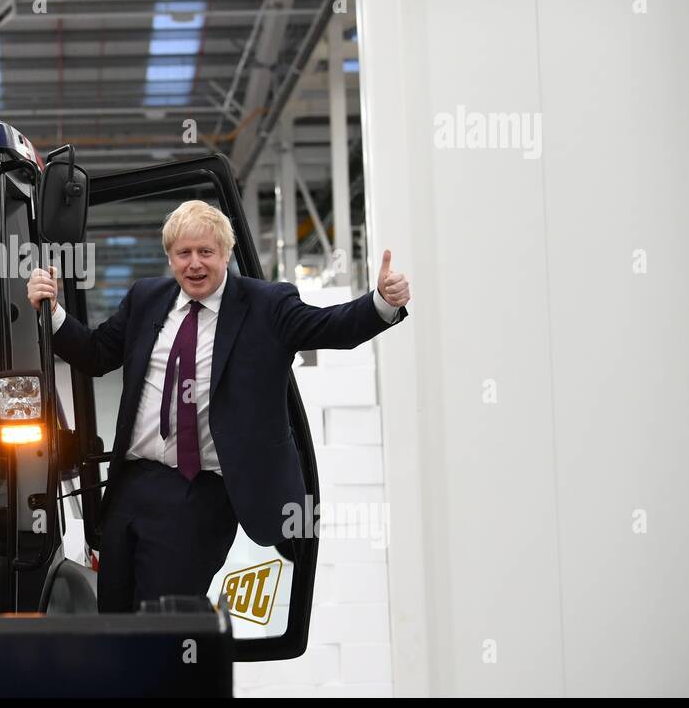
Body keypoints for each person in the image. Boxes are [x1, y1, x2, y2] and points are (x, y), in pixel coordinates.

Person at [26, 200, 411, 613]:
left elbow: (332, 326)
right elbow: (97, 354)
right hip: (132, 486)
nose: (195, 264)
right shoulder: (146, 298)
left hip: (202, 493)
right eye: (183, 253)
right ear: (170, 257)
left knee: (161, 624)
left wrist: (381, 302)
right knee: (114, 616)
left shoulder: (267, 305)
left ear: (225, 254)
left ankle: (168, 677)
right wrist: (52, 312)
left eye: (206, 252)